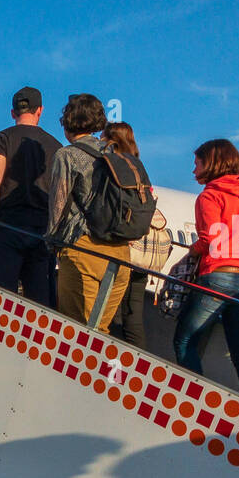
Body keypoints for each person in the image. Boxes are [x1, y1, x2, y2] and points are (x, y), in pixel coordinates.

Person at [169, 138, 239, 401]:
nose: (193, 171)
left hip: (220, 274)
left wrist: (191, 251)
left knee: (185, 341)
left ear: (211, 163)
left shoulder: (209, 195)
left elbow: (211, 239)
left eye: (197, 164)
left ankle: (194, 400)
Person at [48, 93, 131, 328]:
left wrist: (53, 243)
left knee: (76, 331)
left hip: (83, 249)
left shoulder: (67, 155)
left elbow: (58, 205)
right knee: (99, 333)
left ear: (67, 122)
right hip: (120, 253)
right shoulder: (116, 156)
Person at [0, 87, 60, 303]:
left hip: (9, 226)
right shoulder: (55, 147)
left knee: (1, 298)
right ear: (40, 110)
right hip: (42, 230)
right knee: (38, 301)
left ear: (13, 112)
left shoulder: (3, 138)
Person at [101, 122, 150, 347]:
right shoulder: (139, 169)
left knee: (107, 314)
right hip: (141, 254)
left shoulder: (111, 168)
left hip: (118, 249)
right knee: (133, 318)